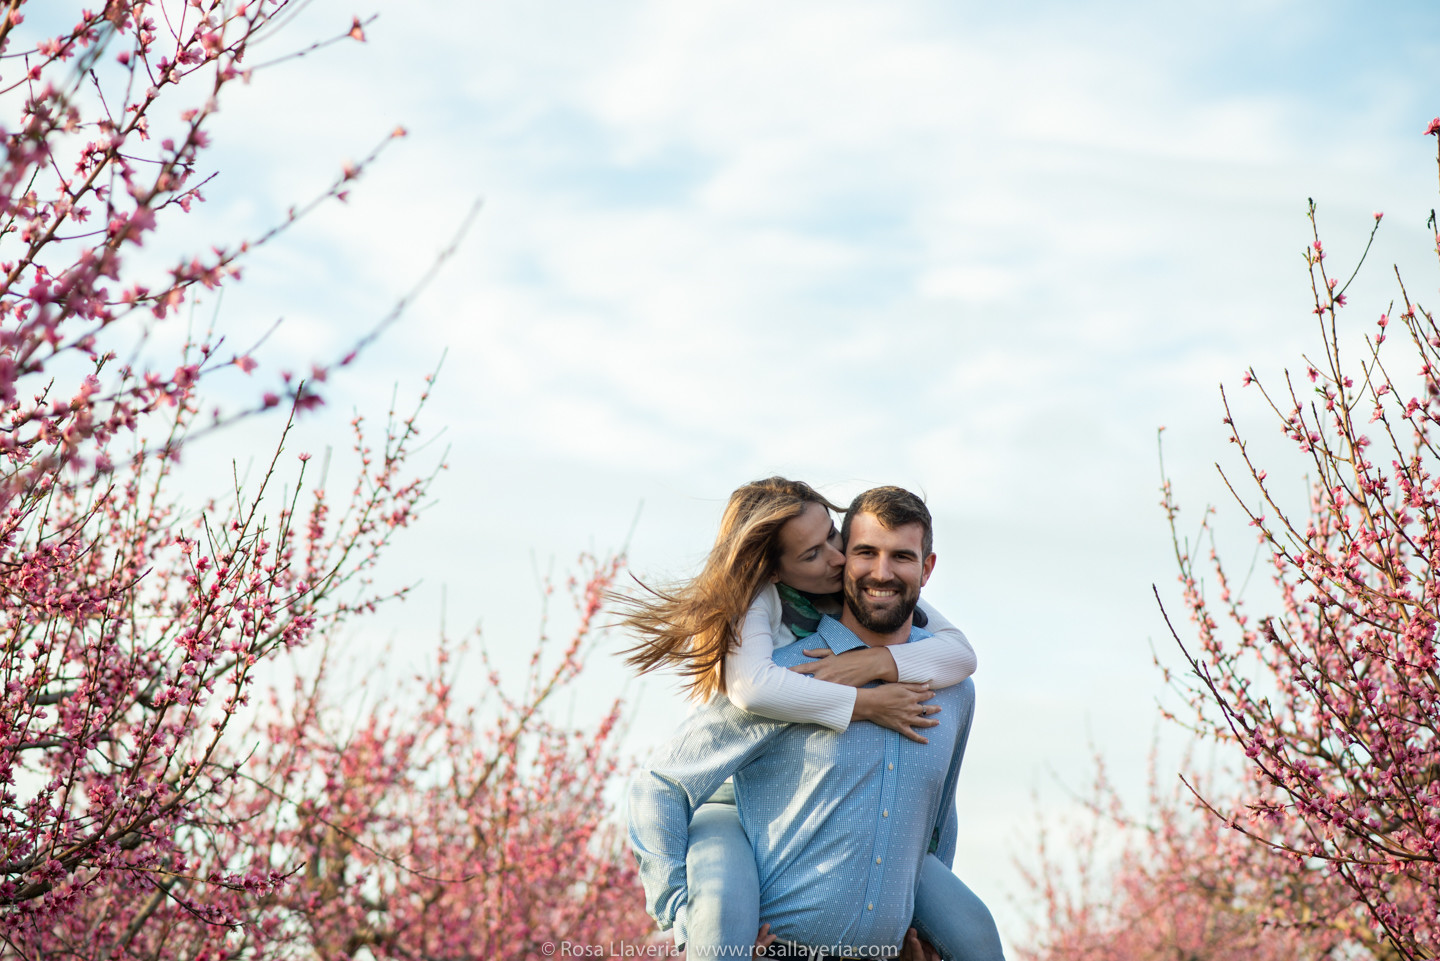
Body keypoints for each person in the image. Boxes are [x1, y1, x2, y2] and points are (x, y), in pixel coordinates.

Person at [625, 484, 1004, 960]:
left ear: (926, 569)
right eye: (864, 551)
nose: (880, 572)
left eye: (901, 557)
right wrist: (684, 915)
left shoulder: (954, 693)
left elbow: (935, 822)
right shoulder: (785, 676)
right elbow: (659, 784)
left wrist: (923, 931)